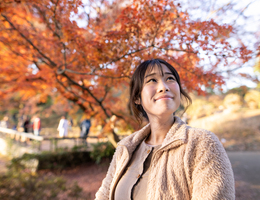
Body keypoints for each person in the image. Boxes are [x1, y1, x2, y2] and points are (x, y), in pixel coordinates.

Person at [95, 59, 235, 200]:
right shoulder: (125, 148)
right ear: (137, 97)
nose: (163, 87)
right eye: (152, 80)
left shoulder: (201, 143)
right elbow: (103, 195)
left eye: (170, 78)